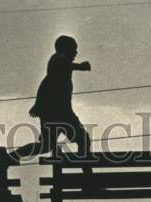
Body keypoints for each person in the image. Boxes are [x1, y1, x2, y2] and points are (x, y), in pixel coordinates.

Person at [6, 35, 92, 163]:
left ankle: (12, 156)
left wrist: (38, 104)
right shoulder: (58, 59)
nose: (76, 52)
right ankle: (85, 168)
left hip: (54, 112)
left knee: (46, 146)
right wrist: (80, 66)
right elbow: (57, 71)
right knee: (82, 139)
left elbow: (45, 84)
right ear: (65, 49)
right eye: (73, 49)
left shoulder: (58, 66)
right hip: (61, 113)